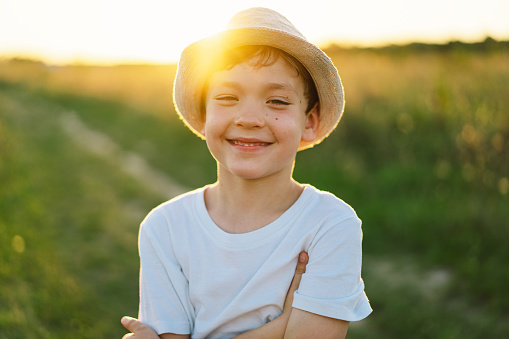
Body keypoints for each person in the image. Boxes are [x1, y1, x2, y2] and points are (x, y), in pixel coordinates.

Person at [122, 7, 372, 339]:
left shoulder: (330, 224)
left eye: (278, 101)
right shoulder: (165, 228)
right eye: (227, 97)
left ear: (308, 122)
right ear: (203, 114)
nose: (250, 118)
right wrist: (283, 325)